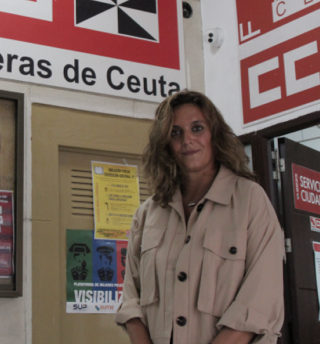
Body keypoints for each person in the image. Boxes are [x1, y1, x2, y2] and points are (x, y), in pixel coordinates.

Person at [115, 91, 284, 344]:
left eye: (197, 128)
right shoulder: (147, 213)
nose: (187, 140)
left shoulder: (251, 200)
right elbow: (131, 302)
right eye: (175, 132)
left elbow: (260, 303)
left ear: (215, 134)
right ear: (165, 144)